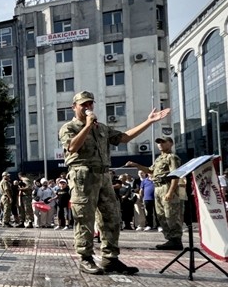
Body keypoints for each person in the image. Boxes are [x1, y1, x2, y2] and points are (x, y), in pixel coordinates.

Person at [59, 90, 170, 274]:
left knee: (112, 217)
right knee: (84, 218)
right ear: (74, 107)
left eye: (90, 104)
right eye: (83, 105)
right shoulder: (69, 127)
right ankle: (85, 258)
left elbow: (124, 138)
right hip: (82, 177)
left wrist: (149, 121)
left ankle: (110, 258)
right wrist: (87, 125)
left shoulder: (101, 128)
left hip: (103, 177)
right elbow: (72, 147)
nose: (87, 107)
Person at [127, 136, 183, 249]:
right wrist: (136, 165)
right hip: (157, 187)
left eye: (163, 142)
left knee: (170, 214)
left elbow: (175, 175)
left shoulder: (172, 157)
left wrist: (171, 192)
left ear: (170, 144)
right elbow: (150, 170)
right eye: (158, 142)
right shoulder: (159, 159)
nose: (160, 144)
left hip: (166, 186)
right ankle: (169, 239)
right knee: (161, 215)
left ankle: (176, 239)